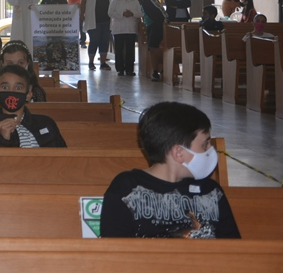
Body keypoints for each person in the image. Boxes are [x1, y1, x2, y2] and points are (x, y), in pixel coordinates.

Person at [101, 101, 240, 238]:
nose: (210, 150)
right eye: (204, 144)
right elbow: (115, 248)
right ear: (179, 153)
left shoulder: (211, 190)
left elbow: (234, 247)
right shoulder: (127, 188)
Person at [0, 64, 66, 148]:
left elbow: (64, 156)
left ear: (28, 95)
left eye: (18, 88)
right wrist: (2, 139)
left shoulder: (45, 123)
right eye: (5, 87)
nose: (11, 92)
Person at [81, 0, 113, 71]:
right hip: (93, 20)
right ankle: (91, 62)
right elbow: (83, 4)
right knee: (94, 41)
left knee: (104, 41)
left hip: (107, 21)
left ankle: (103, 63)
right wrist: (81, 15)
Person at [136, 0, 167, 81]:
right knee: (151, 48)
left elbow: (160, 9)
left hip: (157, 24)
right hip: (149, 24)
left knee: (154, 47)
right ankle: (155, 71)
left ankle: (167, 63)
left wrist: (165, 20)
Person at [109, 0, 142, 76]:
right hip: (118, 29)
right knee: (119, 50)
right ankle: (120, 69)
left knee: (130, 50)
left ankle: (129, 69)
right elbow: (110, 12)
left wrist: (132, 13)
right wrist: (122, 14)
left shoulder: (134, 0)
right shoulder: (115, 0)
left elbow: (140, 13)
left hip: (131, 29)